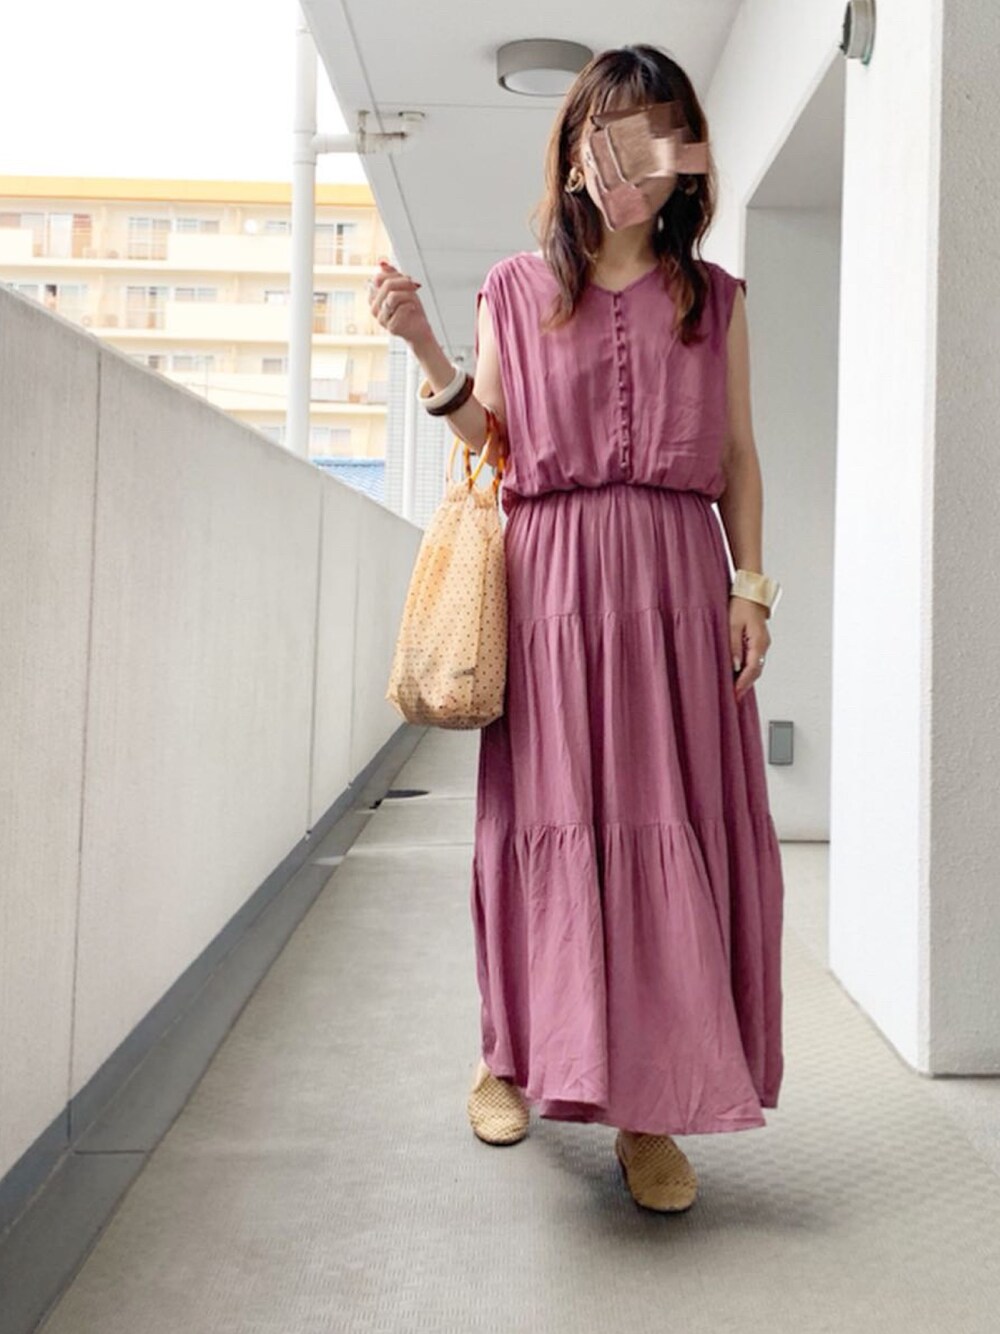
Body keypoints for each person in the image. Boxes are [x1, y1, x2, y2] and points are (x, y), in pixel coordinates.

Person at [368, 43, 784, 1215]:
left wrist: (751, 589)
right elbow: (491, 438)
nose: (633, 165)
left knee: (668, 830)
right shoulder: (514, 287)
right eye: (613, 138)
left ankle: (649, 1109)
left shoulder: (715, 300)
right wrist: (423, 344)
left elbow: (739, 456)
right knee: (545, 826)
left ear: (684, 159)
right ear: (576, 152)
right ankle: (508, 1052)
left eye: (658, 140)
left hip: (674, 590)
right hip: (551, 587)